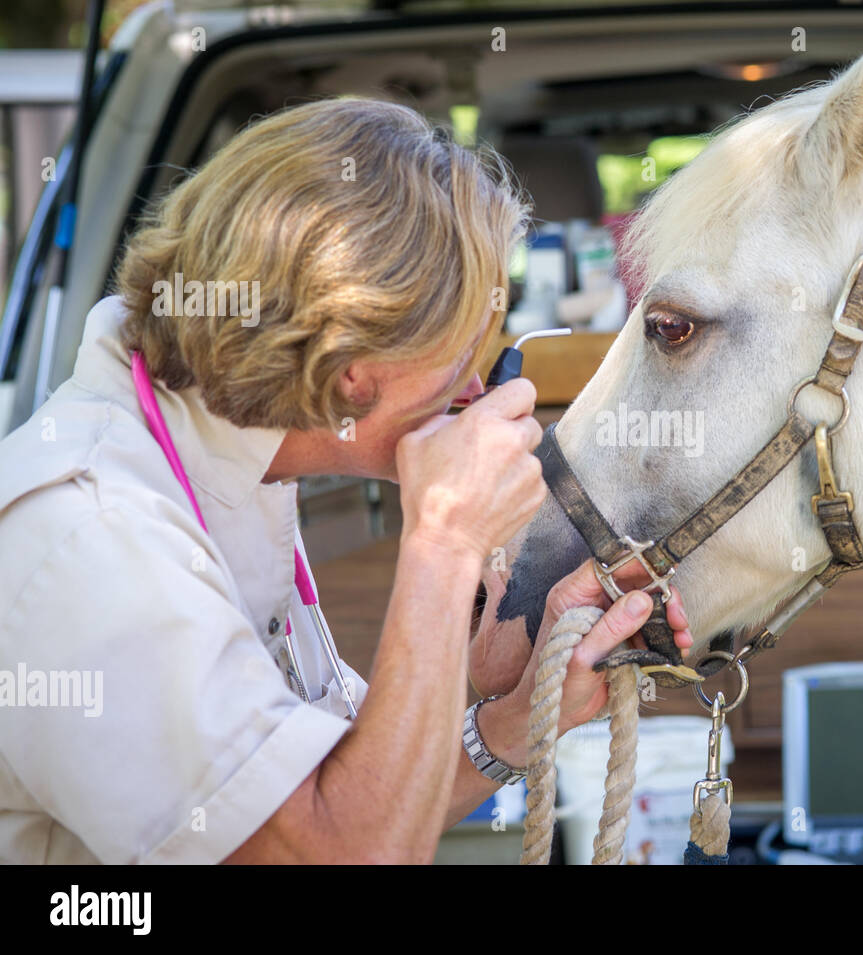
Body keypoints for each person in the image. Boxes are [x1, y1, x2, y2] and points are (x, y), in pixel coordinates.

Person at [0, 98, 692, 864]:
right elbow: (344, 852)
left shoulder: (240, 472)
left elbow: (354, 795)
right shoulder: (93, 541)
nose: (480, 383)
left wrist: (520, 716)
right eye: (466, 340)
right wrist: (445, 543)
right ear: (354, 362)